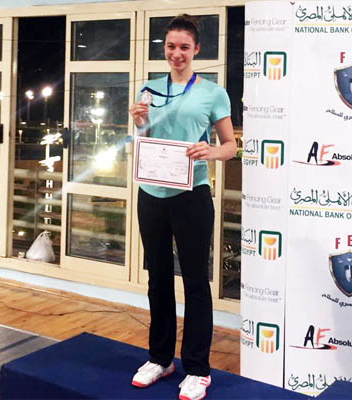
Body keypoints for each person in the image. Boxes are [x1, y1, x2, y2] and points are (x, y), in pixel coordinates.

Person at [128, 14, 236, 400]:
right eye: (171, 46)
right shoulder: (149, 89)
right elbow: (143, 138)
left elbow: (231, 146)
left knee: (194, 281)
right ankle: (160, 359)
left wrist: (210, 150)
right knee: (157, 277)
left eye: (184, 47)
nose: (177, 53)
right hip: (152, 194)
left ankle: (197, 369)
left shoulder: (213, 93)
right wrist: (139, 123)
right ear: (165, 49)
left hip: (192, 195)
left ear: (196, 50)